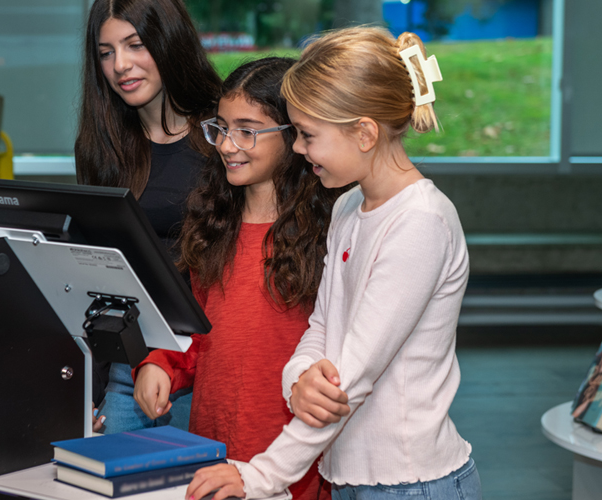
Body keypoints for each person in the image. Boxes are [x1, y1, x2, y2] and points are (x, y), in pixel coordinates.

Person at [185, 27, 483, 500]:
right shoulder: (348, 207)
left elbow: (352, 376)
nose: (299, 150)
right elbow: (322, 328)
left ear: (364, 133)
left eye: (307, 135)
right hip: (347, 475)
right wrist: (297, 378)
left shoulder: (420, 223)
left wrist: (260, 476)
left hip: (411, 484)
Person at [132, 57, 350, 500]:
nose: (228, 145)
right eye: (221, 128)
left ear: (295, 136)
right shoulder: (212, 223)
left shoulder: (330, 232)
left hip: (293, 463)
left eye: (247, 131)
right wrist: (160, 363)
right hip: (212, 455)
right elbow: (195, 329)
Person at [75, 0, 222, 434]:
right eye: (106, 52)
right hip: (129, 360)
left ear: (168, 43)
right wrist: (94, 385)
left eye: (135, 45)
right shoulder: (102, 146)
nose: (120, 65)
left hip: (206, 359)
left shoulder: (223, 136)